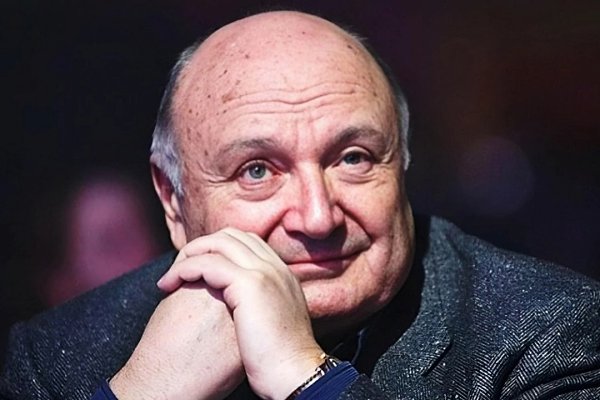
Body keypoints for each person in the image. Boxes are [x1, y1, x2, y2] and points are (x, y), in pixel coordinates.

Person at [2, 10, 600, 400]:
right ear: (174, 202)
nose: (317, 217)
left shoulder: (551, 334)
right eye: (257, 171)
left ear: (403, 166)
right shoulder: (57, 358)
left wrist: (306, 376)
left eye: (353, 159)